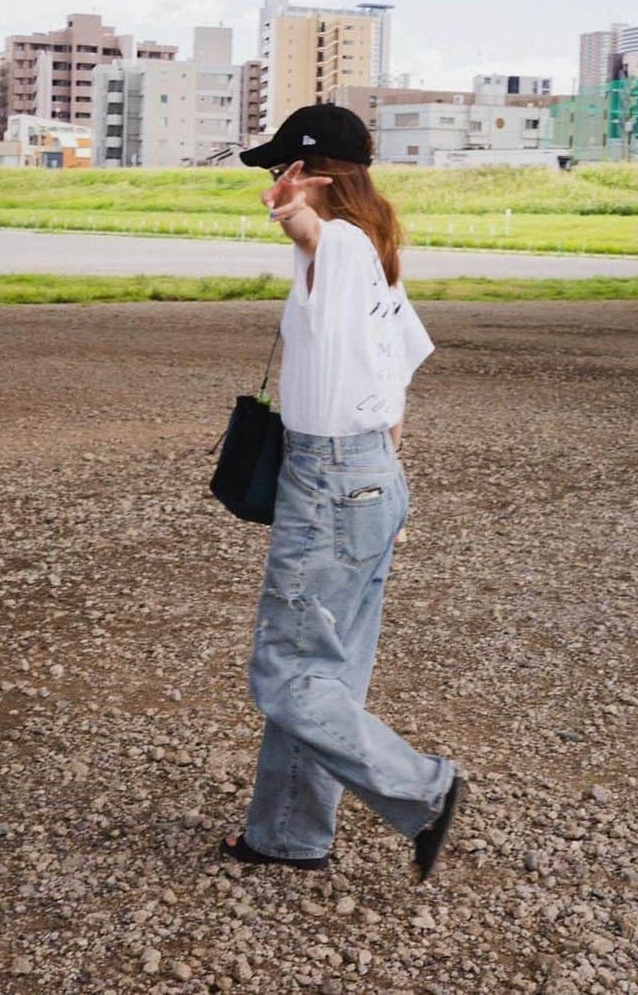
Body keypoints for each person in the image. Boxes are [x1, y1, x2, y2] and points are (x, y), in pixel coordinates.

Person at [221, 103, 465, 886]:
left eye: (281, 169)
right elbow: (399, 376)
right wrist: (384, 490)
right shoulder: (380, 256)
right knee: (324, 674)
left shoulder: (341, 245)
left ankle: (423, 788)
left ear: (316, 173)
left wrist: (297, 223)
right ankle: (288, 834)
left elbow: (315, 238)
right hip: (364, 476)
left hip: (330, 479)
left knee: (287, 674)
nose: (273, 181)